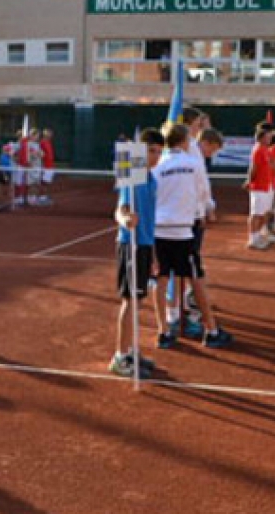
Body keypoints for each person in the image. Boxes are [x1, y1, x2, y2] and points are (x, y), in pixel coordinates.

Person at [153, 124, 232, 349]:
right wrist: (207, 211)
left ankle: (164, 330)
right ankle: (211, 330)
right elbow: (204, 195)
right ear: (184, 141)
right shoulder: (194, 164)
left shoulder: (157, 166)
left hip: (160, 231)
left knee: (161, 280)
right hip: (183, 232)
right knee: (196, 280)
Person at [109, 128, 164, 378]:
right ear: (141, 152)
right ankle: (120, 357)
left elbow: (150, 221)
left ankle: (130, 350)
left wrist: (152, 253)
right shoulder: (133, 173)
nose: (156, 157)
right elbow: (120, 209)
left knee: (137, 300)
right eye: (152, 151)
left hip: (144, 245)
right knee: (130, 301)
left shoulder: (152, 179)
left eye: (160, 152)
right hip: (129, 244)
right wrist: (125, 219)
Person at [245, 126, 275, 250]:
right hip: (258, 187)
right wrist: (249, 181)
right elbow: (254, 167)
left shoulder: (265, 149)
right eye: (268, 136)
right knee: (256, 213)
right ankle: (252, 239)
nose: (270, 138)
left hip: (266, 186)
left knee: (263, 213)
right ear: (262, 137)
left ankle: (258, 236)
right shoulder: (258, 149)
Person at [38, 128, 55, 206]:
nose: (51, 135)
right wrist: (42, 165)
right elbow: (40, 154)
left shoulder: (49, 142)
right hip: (45, 166)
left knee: (47, 182)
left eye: (51, 133)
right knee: (43, 182)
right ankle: (41, 198)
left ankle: (44, 196)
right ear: (46, 134)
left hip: (50, 166)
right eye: (50, 133)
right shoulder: (42, 142)